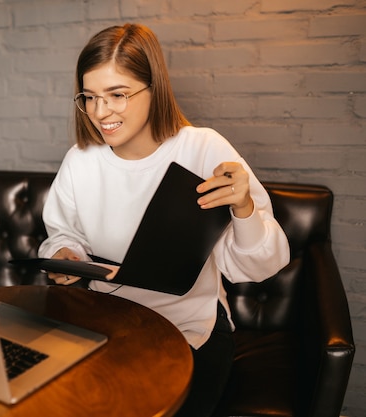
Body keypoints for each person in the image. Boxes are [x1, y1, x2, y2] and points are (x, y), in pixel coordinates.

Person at [37, 23, 290, 416]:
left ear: (154, 88)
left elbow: (259, 268)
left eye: (117, 95)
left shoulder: (203, 149)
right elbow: (62, 232)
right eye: (89, 97)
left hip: (189, 330)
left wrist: (244, 210)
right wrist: (66, 251)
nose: (101, 112)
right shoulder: (80, 159)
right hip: (107, 324)